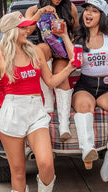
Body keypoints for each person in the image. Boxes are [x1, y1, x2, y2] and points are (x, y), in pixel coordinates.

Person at [0, 11, 76, 192]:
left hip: (36, 110)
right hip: (12, 112)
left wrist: (68, 69)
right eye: (24, 28)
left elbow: (50, 82)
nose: (29, 30)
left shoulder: (35, 51)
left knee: (46, 163)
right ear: (12, 31)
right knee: (17, 172)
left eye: (28, 27)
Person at [61, 0, 108, 176]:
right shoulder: (79, 36)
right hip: (85, 86)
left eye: (94, 11)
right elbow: (75, 60)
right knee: (83, 106)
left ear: (102, 16)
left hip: (105, 87)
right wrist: (66, 36)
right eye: (87, 9)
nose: (88, 13)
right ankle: (87, 150)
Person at [25, 0, 79, 142]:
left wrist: (67, 43)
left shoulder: (70, 7)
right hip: (44, 56)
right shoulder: (33, 10)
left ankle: (64, 125)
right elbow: (26, 30)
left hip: (63, 55)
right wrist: (40, 12)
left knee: (61, 73)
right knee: (42, 47)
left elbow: (78, 31)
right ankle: (48, 101)